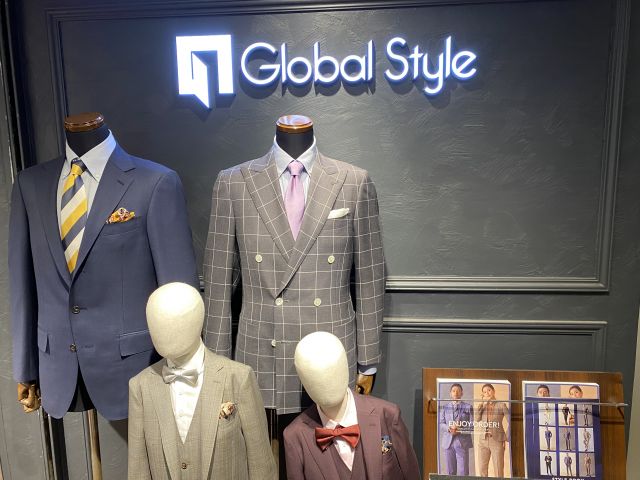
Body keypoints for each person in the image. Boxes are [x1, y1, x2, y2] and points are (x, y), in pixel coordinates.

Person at [9, 113, 198, 420]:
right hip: (57, 363)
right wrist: (25, 367)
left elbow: (179, 294)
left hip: (132, 365)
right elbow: (21, 284)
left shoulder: (154, 182)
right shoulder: (30, 185)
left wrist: (186, 368)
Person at [127, 283, 276, 479]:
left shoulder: (238, 377)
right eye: (155, 321)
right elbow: (138, 471)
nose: (161, 330)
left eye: (173, 321)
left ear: (197, 321)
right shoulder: (140, 386)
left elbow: (261, 466)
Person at [283, 332, 420, 480]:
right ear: (303, 381)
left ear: (345, 367)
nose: (325, 381)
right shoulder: (295, 436)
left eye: (331, 370)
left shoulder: (387, 415)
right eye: (314, 375)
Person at [475, 383, 509, 477]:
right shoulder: (482, 406)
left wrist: (505, 437)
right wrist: (482, 404)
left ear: (493, 391)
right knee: (482, 469)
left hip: (497, 441)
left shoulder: (501, 405)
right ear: (483, 394)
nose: (487, 393)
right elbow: (477, 419)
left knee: (498, 469)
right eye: (485, 392)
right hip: (483, 441)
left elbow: (510, 421)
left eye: (489, 390)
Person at [440, 383, 474, 475]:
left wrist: (460, 429)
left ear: (462, 393)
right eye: (453, 391)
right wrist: (449, 428)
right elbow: (441, 423)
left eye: (458, 391)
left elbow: (472, 426)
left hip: (462, 442)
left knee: (464, 471)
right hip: (448, 442)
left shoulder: (468, 407)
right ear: (450, 393)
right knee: (450, 471)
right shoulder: (445, 407)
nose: (456, 393)